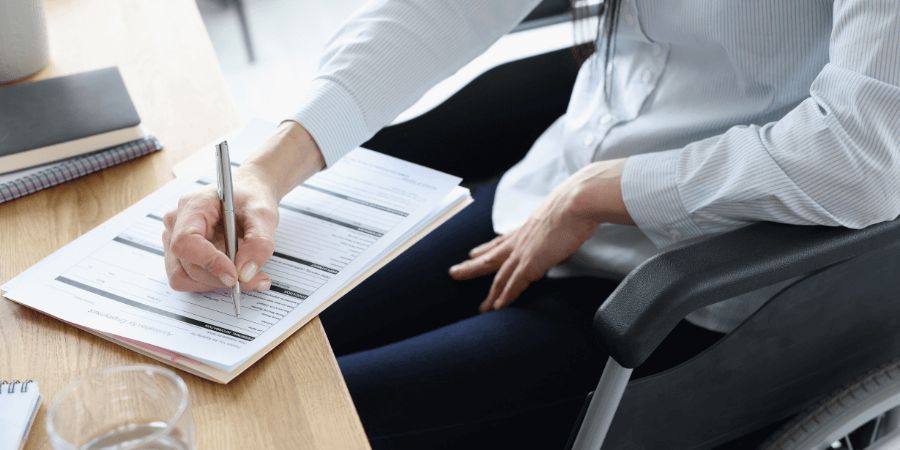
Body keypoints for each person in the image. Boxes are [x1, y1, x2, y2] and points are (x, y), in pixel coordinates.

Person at [162, 0, 900, 447]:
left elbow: (864, 156)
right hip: (547, 194)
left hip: (688, 285)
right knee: (207, 345)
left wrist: (607, 191)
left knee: (256, 425)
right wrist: (271, 165)